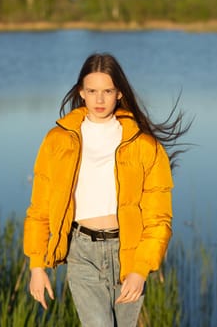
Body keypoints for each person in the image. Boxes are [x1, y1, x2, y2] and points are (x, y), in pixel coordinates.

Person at [23, 52, 190, 326]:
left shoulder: (144, 145)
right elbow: (39, 209)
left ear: (120, 93)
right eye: (92, 91)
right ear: (82, 92)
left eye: (107, 91)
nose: (99, 99)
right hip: (81, 252)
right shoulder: (57, 141)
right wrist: (36, 265)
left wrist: (140, 269)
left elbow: (159, 218)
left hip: (128, 251)